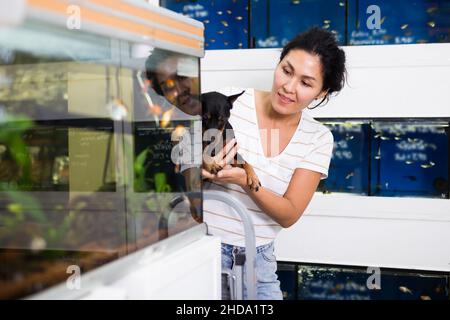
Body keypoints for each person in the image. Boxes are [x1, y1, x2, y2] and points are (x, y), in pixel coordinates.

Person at [201, 27, 347, 300]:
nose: (288, 87)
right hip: (202, 253)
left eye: (306, 83)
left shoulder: (317, 138)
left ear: (322, 93)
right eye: (286, 70)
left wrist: (245, 182)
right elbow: (177, 159)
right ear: (278, 63)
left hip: (258, 265)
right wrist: (200, 167)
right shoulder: (228, 101)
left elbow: (289, 213)